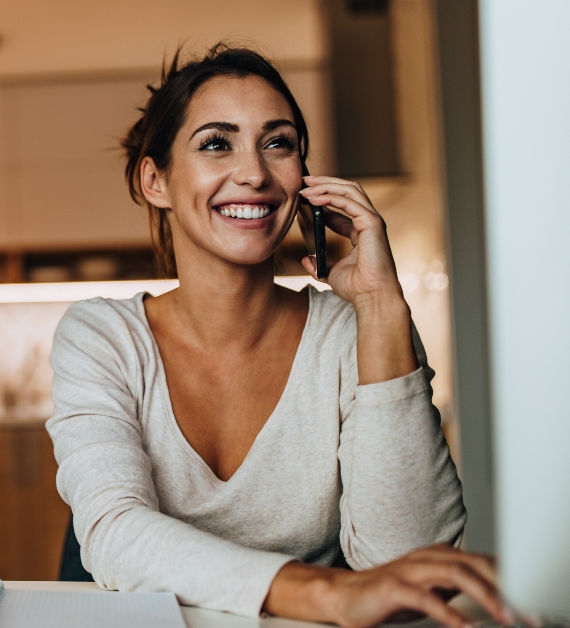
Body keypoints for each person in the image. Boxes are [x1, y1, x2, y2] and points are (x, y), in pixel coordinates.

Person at [46, 44, 508, 628]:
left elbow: (410, 565)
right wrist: (328, 594)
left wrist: (381, 306)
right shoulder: (104, 337)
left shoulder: (350, 333)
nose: (254, 173)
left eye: (278, 142)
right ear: (155, 180)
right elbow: (115, 532)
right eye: (217, 143)